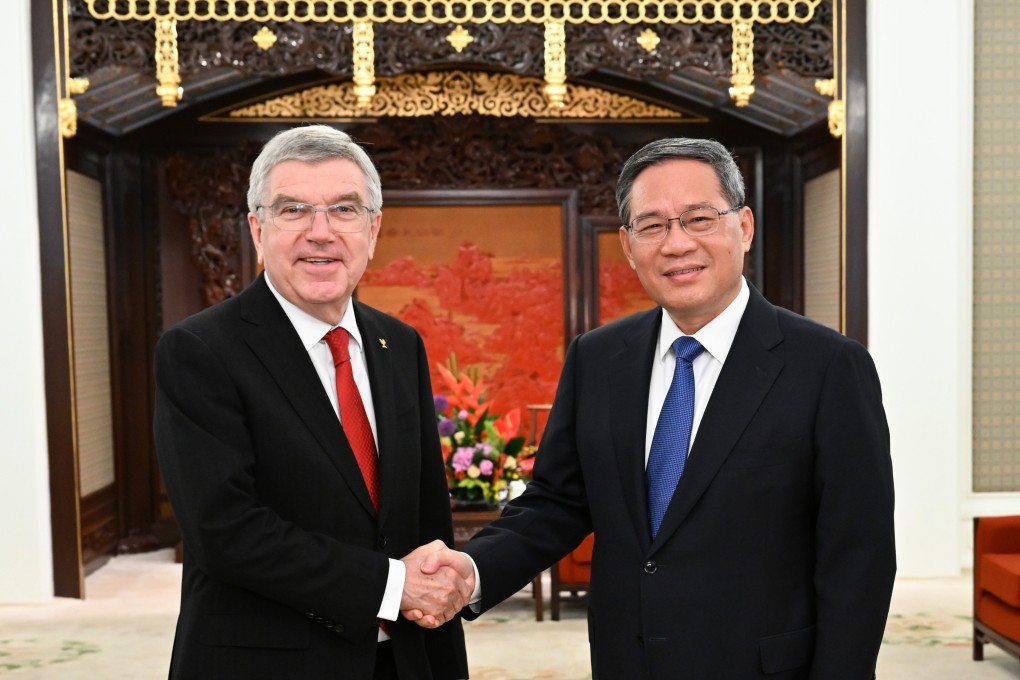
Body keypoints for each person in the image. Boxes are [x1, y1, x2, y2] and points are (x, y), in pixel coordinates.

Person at [415, 137, 896, 679]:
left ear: (744, 227)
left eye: (698, 219)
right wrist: (471, 569)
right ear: (627, 244)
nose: (676, 244)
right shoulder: (598, 357)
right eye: (653, 225)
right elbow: (558, 502)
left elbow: (859, 559)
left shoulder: (828, 366)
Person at [153, 124, 471, 680]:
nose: (320, 233)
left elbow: (425, 516)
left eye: (344, 210)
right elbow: (225, 532)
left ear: (373, 229)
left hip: (402, 659)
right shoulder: (201, 350)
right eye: (294, 210)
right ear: (257, 229)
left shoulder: (399, 344)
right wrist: (391, 585)